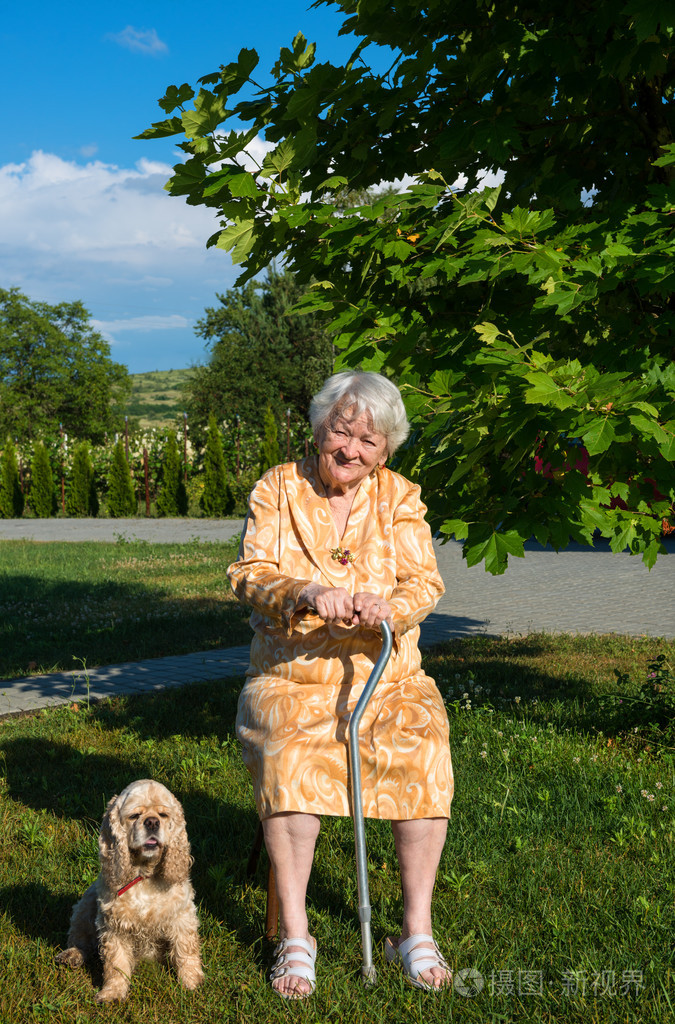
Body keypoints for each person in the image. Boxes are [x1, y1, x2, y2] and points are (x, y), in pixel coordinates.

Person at [227, 370, 454, 999]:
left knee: (424, 748)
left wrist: (392, 607)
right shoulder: (278, 486)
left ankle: (414, 931)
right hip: (292, 674)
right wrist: (305, 591)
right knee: (292, 754)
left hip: (386, 674)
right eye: (341, 431)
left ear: (386, 451)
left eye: (369, 441)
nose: (351, 450)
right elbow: (248, 572)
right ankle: (298, 937)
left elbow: (425, 581)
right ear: (319, 426)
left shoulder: (400, 496)